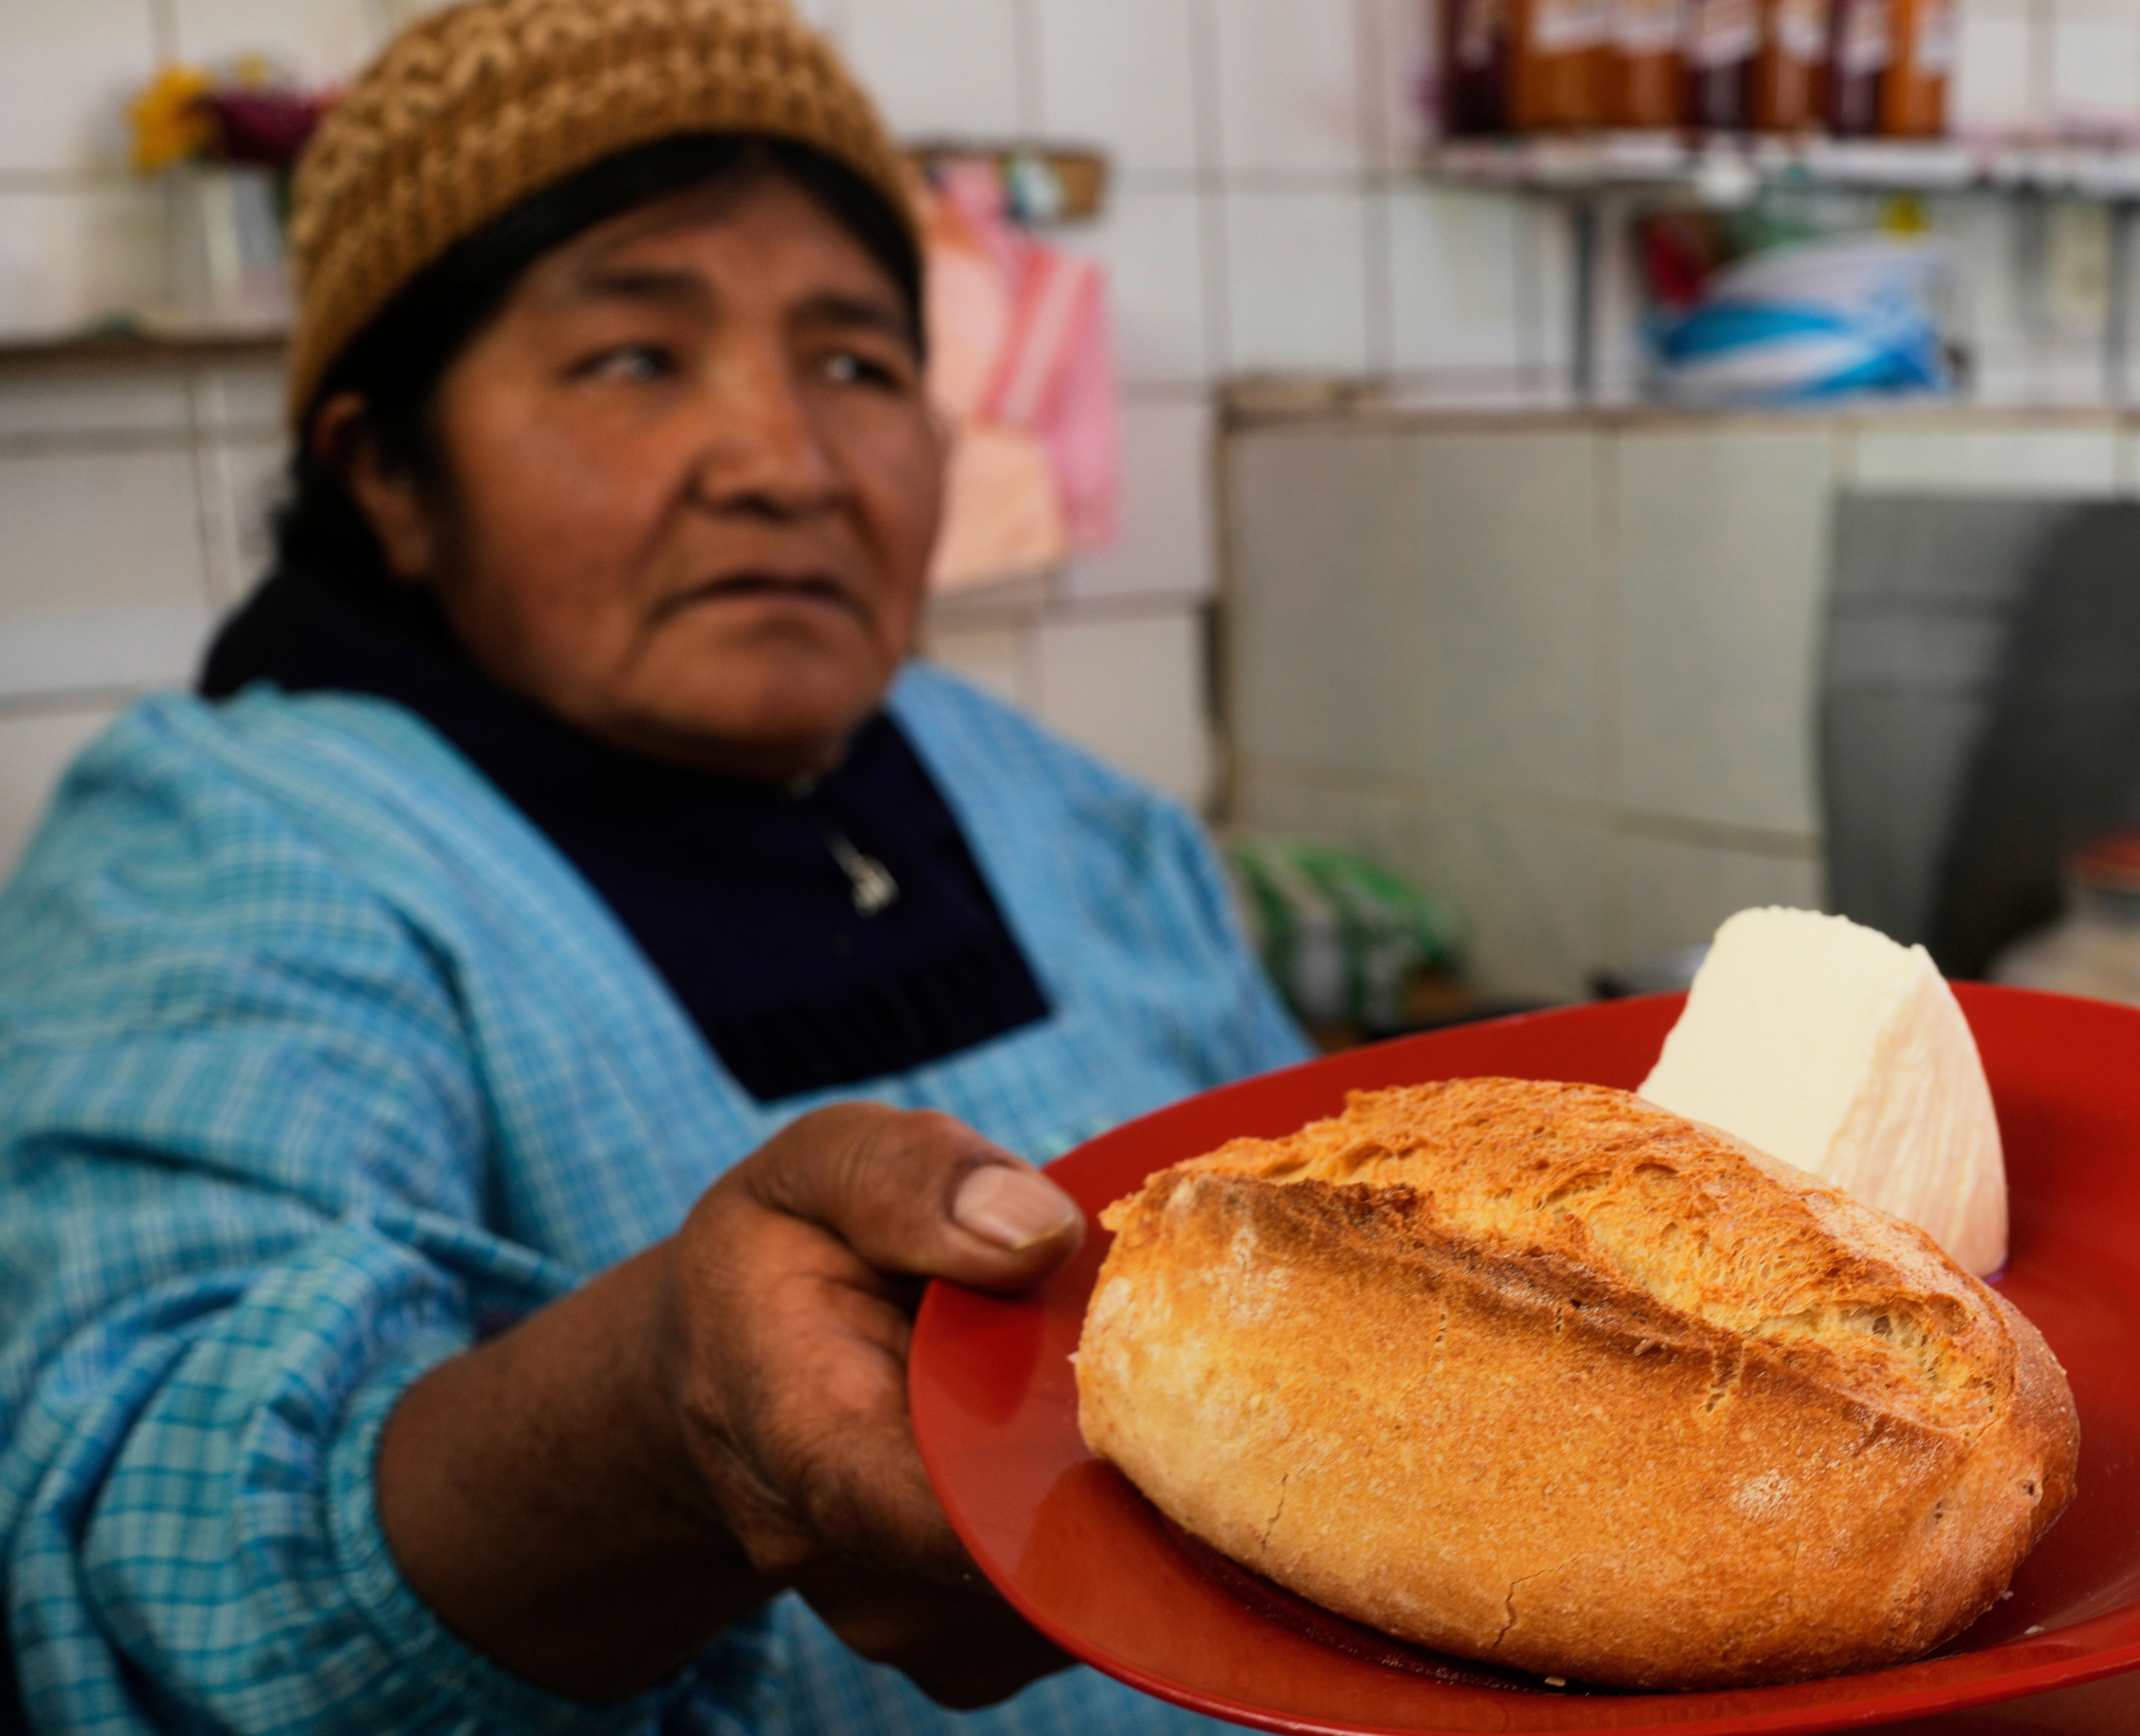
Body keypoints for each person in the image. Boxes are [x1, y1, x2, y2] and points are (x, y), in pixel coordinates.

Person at [0, 1, 1307, 1730]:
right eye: (633, 359)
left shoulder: (1056, 802)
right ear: (390, 474)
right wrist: (656, 1423)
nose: (786, 463)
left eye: (858, 364)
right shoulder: (226, 844)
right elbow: (127, 1560)